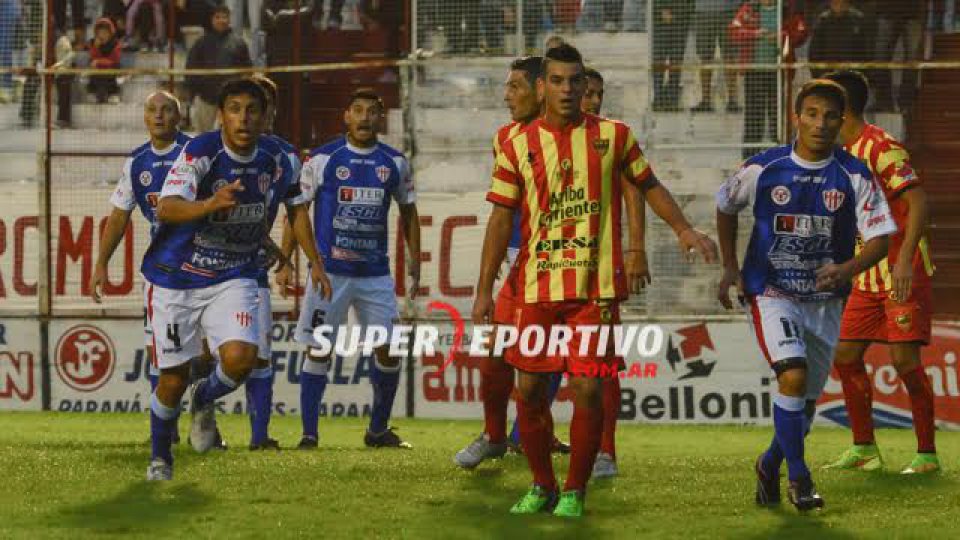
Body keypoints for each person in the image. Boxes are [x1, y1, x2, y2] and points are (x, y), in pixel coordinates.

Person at [477, 43, 717, 517]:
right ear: (542, 87)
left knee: (587, 388)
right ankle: (542, 484)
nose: (568, 90)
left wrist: (683, 229)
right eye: (558, 81)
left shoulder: (614, 136)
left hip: (595, 290)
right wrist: (484, 289)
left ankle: (574, 490)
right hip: (537, 287)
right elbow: (501, 218)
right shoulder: (515, 144)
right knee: (529, 390)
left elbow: (648, 185)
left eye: (576, 81)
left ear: (585, 85)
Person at [716, 79, 896, 511]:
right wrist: (730, 267)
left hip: (824, 303)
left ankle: (769, 464)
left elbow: (880, 239)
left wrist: (847, 269)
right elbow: (725, 205)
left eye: (830, 116)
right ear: (796, 117)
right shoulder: (764, 168)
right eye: (812, 114)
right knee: (792, 376)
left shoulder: (854, 174)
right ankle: (800, 478)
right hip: (771, 291)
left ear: (841, 121)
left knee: (805, 409)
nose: (820, 124)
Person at [143, 79, 330, 480]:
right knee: (172, 379)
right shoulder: (201, 151)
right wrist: (210, 203)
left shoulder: (281, 158)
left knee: (242, 359)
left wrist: (314, 262)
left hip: (235, 273)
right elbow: (167, 208)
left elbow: (296, 209)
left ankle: (204, 396)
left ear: (265, 117)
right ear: (221, 116)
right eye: (234, 109)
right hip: (177, 275)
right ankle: (160, 458)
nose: (243, 118)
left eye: (252, 110)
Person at [280, 88, 421, 450]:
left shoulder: (395, 162)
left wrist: (415, 259)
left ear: (380, 118)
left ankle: (378, 430)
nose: (364, 117)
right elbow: (297, 210)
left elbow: (409, 212)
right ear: (346, 116)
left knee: (388, 349)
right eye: (357, 110)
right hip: (330, 274)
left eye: (372, 112)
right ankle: (309, 435)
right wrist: (287, 260)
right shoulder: (323, 159)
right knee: (319, 348)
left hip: (375, 275)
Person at [453, 56, 570, 471]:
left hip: (565, 265)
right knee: (496, 353)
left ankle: (537, 437)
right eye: (506, 87)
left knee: (551, 359)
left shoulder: (575, 136)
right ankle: (495, 436)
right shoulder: (505, 139)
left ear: (539, 90)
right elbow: (503, 212)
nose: (507, 95)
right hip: (521, 266)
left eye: (515, 86)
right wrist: (485, 286)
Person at [821, 70, 939, 474]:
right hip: (867, 276)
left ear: (843, 108)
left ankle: (927, 455)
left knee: (905, 362)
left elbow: (919, 201)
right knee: (845, 355)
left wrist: (904, 259)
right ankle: (864, 449)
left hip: (901, 271)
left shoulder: (881, 146)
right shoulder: (841, 154)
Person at [90, 91, 191, 443]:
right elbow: (119, 216)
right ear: (144, 117)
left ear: (179, 116)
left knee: (204, 355)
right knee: (159, 353)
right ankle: (165, 432)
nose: (159, 115)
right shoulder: (137, 162)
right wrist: (101, 263)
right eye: (152, 110)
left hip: (206, 269)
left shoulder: (195, 153)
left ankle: (205, 416)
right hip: (162, 271)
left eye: (167, 110)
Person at [580, 66, 651, 480]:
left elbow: (634, 189)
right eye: (587, 93)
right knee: (538, 362)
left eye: (598, 94)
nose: (592, 101)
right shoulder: (537, 137)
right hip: (544, 270)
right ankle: (524, 437)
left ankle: (605, 450)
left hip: (599, 272)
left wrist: (636, 248)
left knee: (602, 365)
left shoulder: (610, 136)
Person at [185, 5, 252, 132]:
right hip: (206, 98)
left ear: (229, 19)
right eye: (218, 17)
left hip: (231, 99)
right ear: (212, 19)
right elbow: (191, 69)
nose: (221, 20)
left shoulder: (239, 43)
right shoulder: (201, 43)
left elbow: (247, 70)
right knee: (204, 138)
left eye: (224, 17)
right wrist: (193, 93)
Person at [691, 0, 739, 112]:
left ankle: (732, 100)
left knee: (729, 56)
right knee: (705, 56)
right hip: (703, 12)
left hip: (729, 11)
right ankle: (705, 101)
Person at [808, 0, 869, 78]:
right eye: (835, 3)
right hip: (827, 75)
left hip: (851, 75)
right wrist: (819, 75)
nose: (839, 6)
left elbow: (864, 51)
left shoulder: (858, 20)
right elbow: (814, 52)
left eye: (842, 3)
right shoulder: (822, 20)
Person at [651, 0, 693, 112]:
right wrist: (662, 9)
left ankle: (672, 99)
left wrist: (684, 12)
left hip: (681, 20)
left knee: (676, 61)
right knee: (659, 60)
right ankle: (658, 98)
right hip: (660, 21)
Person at [88, 17, 123, 104]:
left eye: (105, 33)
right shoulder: (93, 43)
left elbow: (114, 60)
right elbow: (93, 58)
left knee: (109, 72)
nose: (102, 35)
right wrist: (96, 47)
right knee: (94, 71)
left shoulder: (116, 44)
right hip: (98, 70)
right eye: (100, 33)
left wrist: (99, 62)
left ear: (110, 33)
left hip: (111, 68)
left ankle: (113, 94)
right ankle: (94, 93)